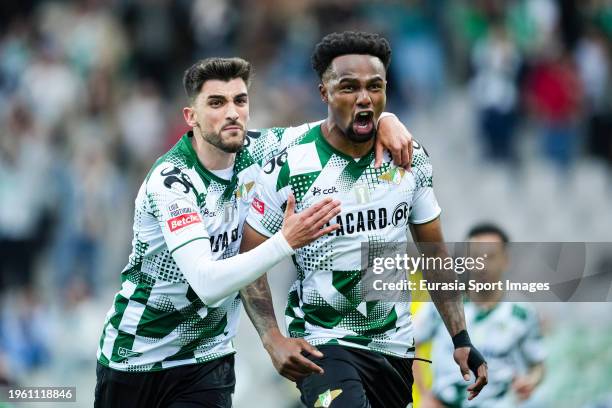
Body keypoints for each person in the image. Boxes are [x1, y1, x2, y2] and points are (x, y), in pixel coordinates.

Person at [95, 56, 417, 407]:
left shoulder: (261, 150)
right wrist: (284, 241)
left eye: (240, 100)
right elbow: (207, 284)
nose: (232, 112)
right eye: (216, 103)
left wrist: (386, 119)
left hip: (207, 359)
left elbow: (335, 124)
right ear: (192, 117)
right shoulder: (172, 182)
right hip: (136, 355)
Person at [240, 31, 488, 408]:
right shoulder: (291, 162)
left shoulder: (408, 159)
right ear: (324, 94)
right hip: (323, 345)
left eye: (375, 87)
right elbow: (250, 254)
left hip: (395, 347)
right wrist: (272, 337)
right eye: (348, 88)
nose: (363, 98)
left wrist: (461, 337)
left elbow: (434, 254)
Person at [414, 224, 546, 408]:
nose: (482, 265)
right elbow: (409, 344)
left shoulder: (521, 314)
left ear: (505, 260)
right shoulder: (443, 304)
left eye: (490, 257)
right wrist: (424, 395)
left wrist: (530, 381)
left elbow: (538, 365)